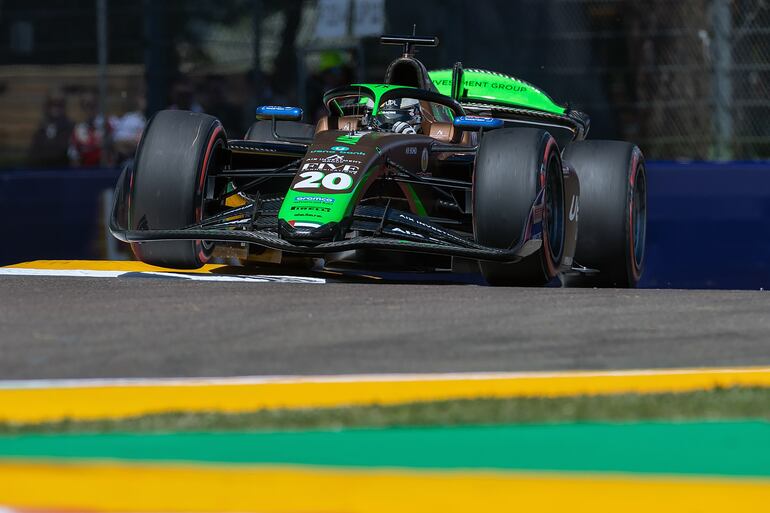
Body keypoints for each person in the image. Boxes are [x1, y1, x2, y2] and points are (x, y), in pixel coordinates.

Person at [28, 90, 73, 167]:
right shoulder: (41, 129)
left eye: (60, 104)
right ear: (47, 107)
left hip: (63, 170)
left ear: (64, 106)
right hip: (43, 170)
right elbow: (34, 154)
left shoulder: (71, 128)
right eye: (52, 104)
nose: (56, 108)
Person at [68, 92, 113, 167]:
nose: (90, 109)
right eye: (87, 105)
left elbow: (111, 152)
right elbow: (74, 157)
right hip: (86, 170)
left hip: (103, 169)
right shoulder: (78, 129)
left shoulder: (106, 125)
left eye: (93, 105)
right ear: (82, 108)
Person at [112, 91, 146, 167]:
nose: (144, 101)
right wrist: (137, 143)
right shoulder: (130, 119)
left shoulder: (144, 118)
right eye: (142, 98)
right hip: (130, 162)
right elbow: (117, 142)